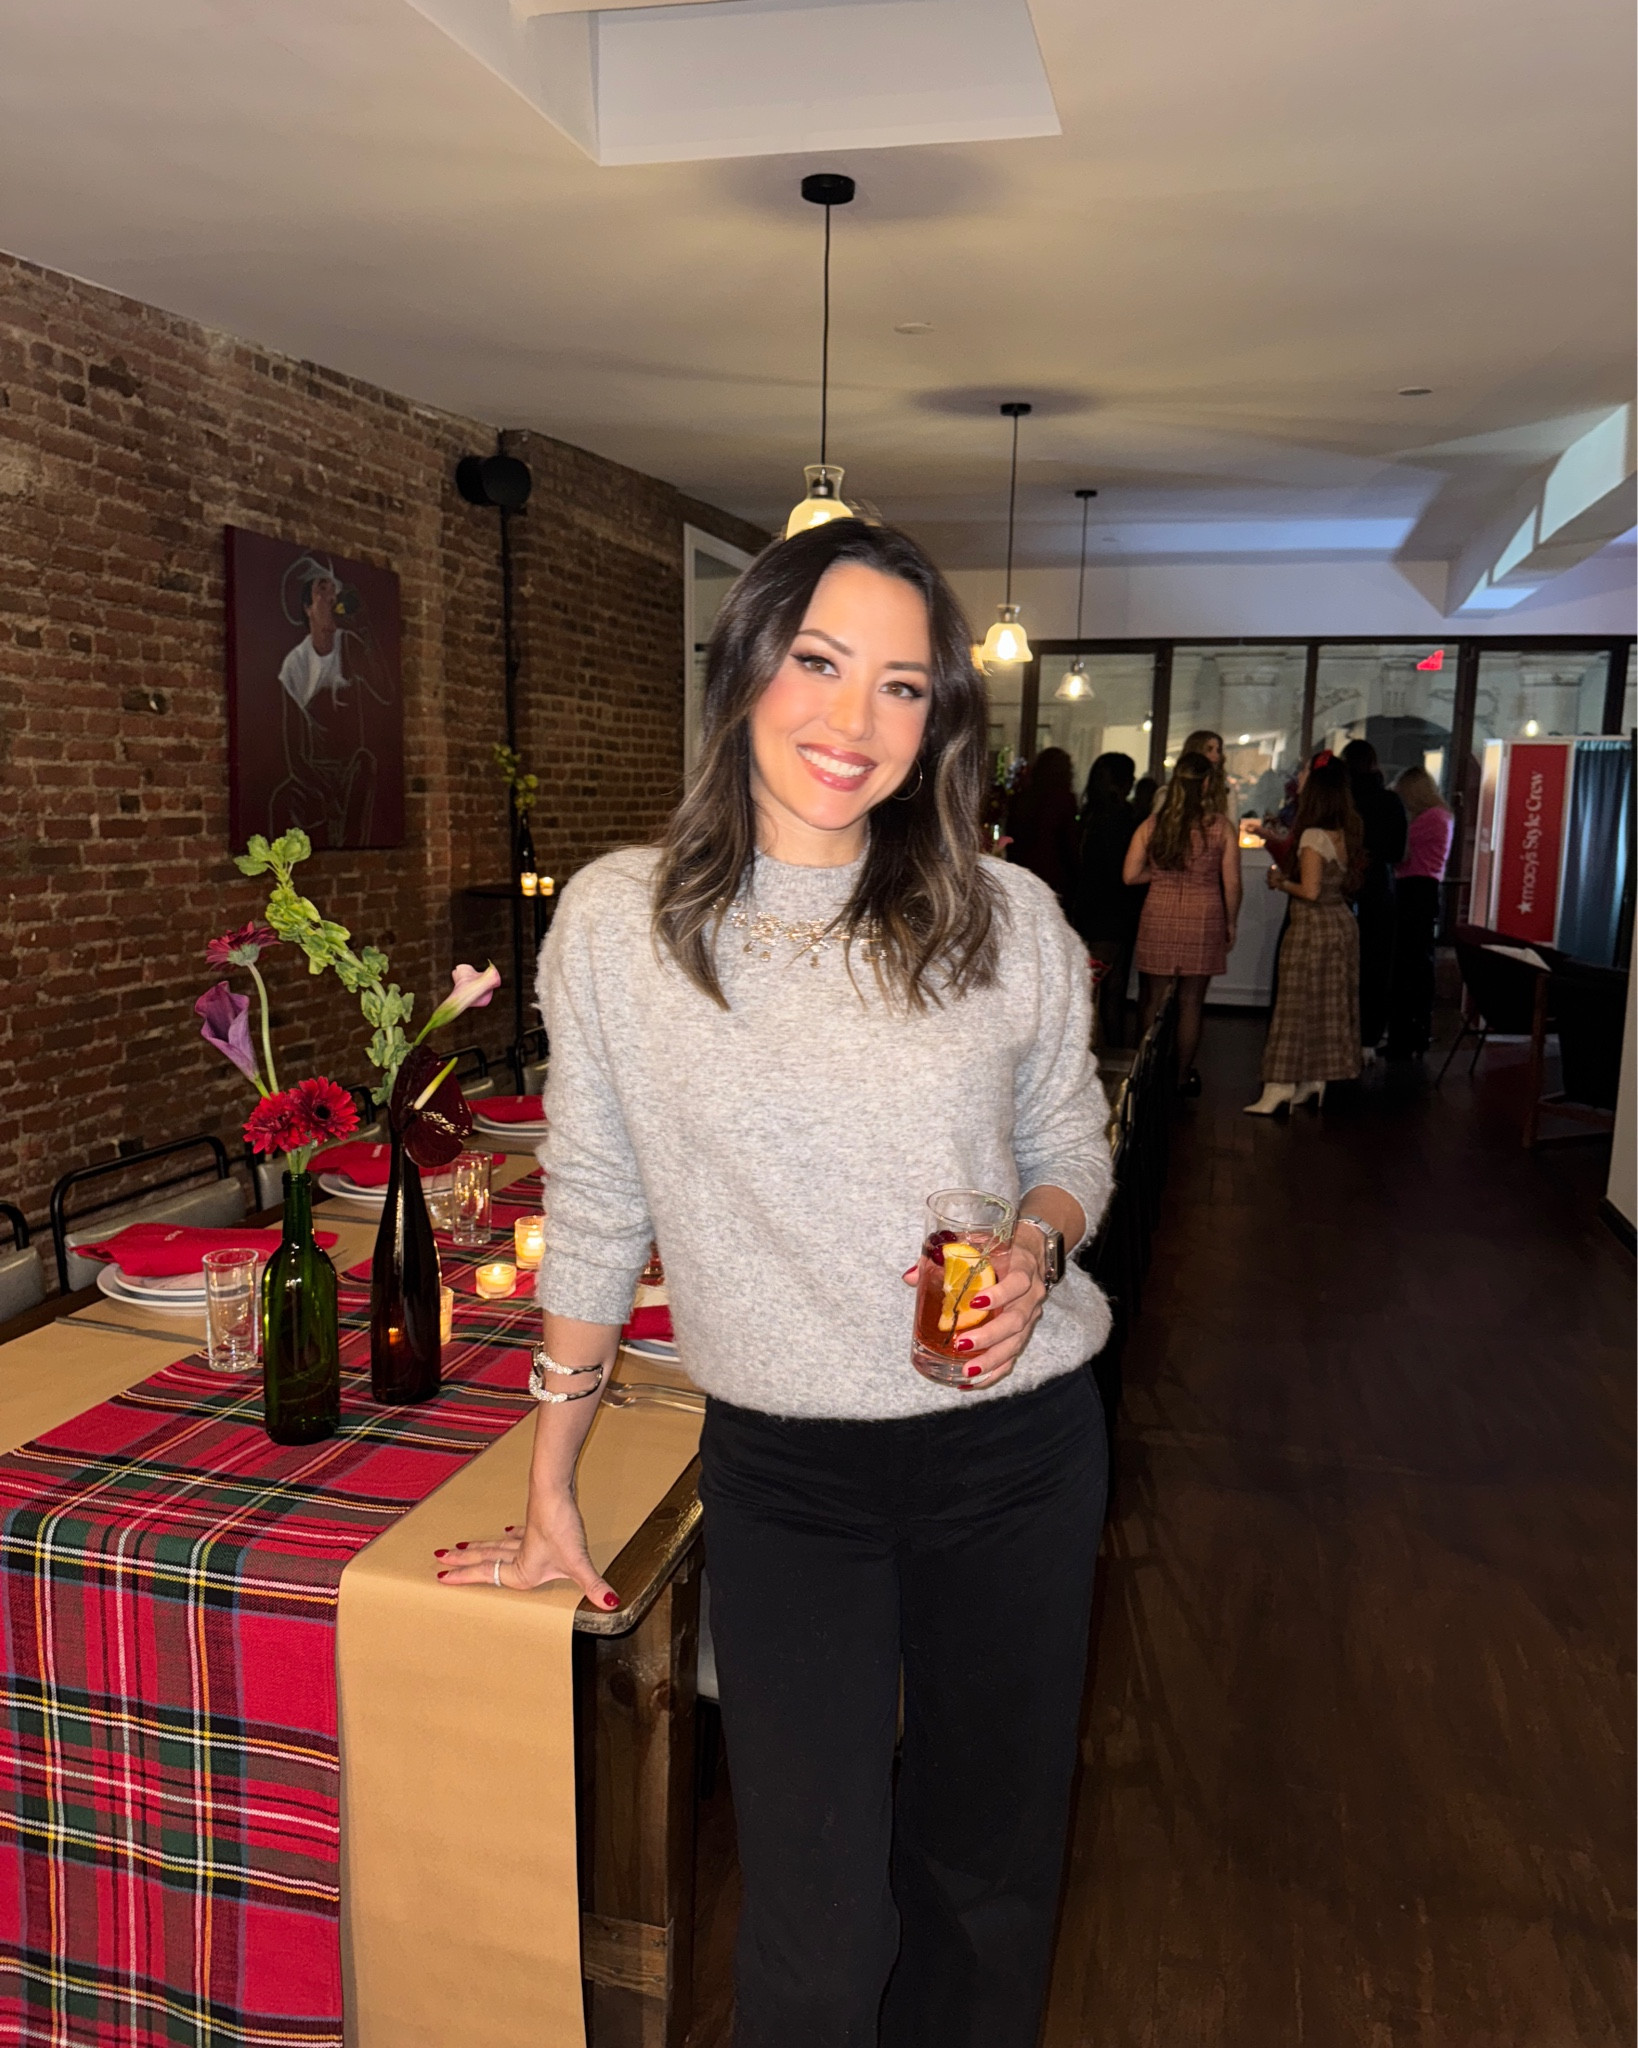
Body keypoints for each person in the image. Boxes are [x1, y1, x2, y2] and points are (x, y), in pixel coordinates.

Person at [437, 518, 1114, 2048]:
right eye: (818, 663)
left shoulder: (1005, 918)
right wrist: (554, 1485)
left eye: (900, 686)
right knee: (813, 1921)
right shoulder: (621, 921)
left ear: (938, 719)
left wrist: (1038, 1240)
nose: (850, 722)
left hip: (1013, 1450)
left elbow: (1067, 1136)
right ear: (744, 667)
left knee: (982, 1881)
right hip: (787, 1474)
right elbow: (597, 1203)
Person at [1245, 758, 1363, 1114]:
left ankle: (1278, 1087)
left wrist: (1281, 882)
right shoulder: (1349, 829)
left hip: (1312, 928)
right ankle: (1316, 1080)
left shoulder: (1313, 835)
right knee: (1328, 1008)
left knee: (1294, 1007)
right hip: (1340, 924)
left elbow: (1310, 891)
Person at [1123, 749, 1242, 1096]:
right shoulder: (1220, 828)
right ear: (1206, 784)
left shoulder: (1153, 825)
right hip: (1204, 915)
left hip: (1158, 913)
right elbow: (1233, 883)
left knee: (1153, 1000)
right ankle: (1180, 1076)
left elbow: (1129, 875)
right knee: (1191, 1002)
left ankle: (1146, 1074)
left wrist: (1159, 876)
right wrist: (1231, 922)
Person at [1340, 738, 1407, 1057]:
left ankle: (1338, 1031)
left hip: (1342, 886)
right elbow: (1397, 852)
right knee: (1377, 963)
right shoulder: (1389, 801)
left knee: (1339, 963)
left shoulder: (1343, 801)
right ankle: (1369, 1036)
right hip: (1379, 886)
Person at [1071, 751, 1142, 1046]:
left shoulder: (1087, 815)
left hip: (1087, 907)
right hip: (1116, 910)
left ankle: (1092, 1052)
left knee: (1092, 988)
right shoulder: (1124, 818)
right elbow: (1124, 872)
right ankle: (1111, 1054)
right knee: (1112, 991)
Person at [1384, 765, 1454, 1060]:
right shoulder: (1441, 817)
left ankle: (1406, 1034)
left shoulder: (1429, 819)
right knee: (1417, 965)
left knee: (1408, 966)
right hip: (1424, 890)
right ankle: (1414, 1032)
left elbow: (1400, 850)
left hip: (1414, 891)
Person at [1005, 744, 1080, 907]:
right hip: (1054, 873)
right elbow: (1069, 843)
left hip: (1024, 871)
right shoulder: (1064, 800)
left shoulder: (1022, 799)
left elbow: (1011, 838)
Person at [1178, 728, 1230, 815]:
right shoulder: (1169, 793)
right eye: (1209, 749)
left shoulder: (1226, 792)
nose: (1216, 756)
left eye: (1218, 751)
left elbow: (1231, 824)